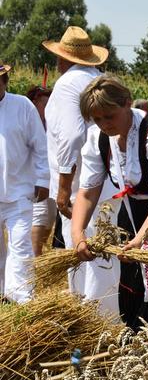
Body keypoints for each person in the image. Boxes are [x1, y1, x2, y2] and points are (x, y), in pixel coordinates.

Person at [72, 76, 148, 333]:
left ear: (128, 103)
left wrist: (140, 239)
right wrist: (78, 235)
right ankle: (136, 337)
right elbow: (86, 193)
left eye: (109, 116)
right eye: (97, 119)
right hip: (135, 206)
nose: (104, 124)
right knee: (131, 276)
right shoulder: (98, 138)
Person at [42, 26, 121, 316]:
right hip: (108, 180)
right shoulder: (98, 79)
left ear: (61, 58)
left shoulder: (66, 84)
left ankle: (89, 317)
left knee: (82, 250)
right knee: (105, 250)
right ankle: (109, 314)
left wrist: (63, 188)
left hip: (80, 185)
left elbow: (72, 137)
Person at [0, 64, 49, 303]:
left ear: (5, 81)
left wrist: (42, 179)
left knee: (20, 248)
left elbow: (40, 146)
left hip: (19, 193)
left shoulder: (22, 106)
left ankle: (21, 303)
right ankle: (2, 298)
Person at [24, 86, 55, 256]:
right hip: (34, 176)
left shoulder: (50, 122)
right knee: (40, 214)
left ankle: (38, 254)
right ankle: (35, 258)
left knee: (50, 215)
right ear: (34, 102)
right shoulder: (27, 118)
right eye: (45, 104)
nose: (48, 108)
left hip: (51, 175)